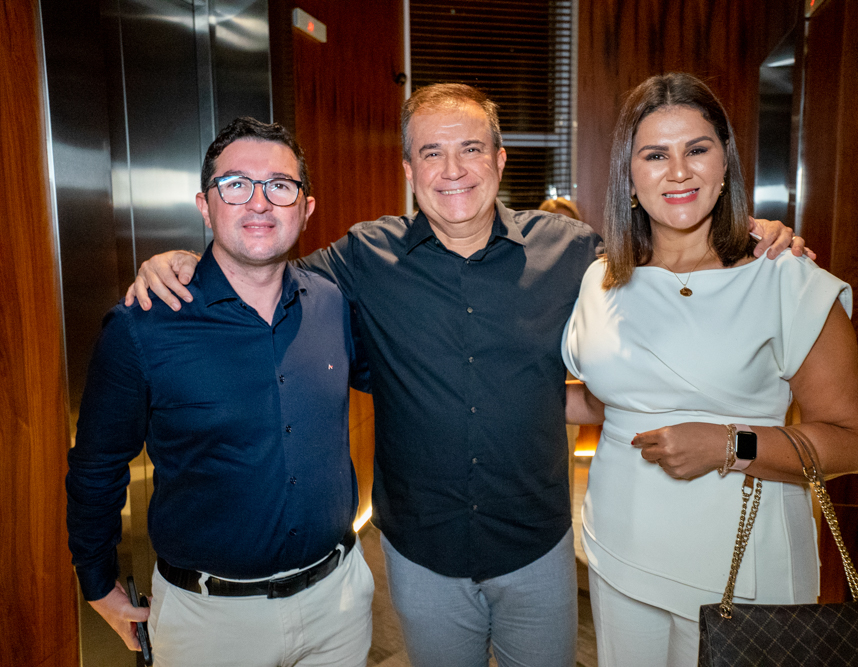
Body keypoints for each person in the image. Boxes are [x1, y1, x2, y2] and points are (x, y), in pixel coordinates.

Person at [125, 84, 808, 667]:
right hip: (420, 551)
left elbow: (665, 260)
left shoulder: (573, 252)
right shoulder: (363, 256)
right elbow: (258, 269)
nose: (453, 169)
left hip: (537, 546)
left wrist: (745, 232)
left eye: (472, 148)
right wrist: (184, 261)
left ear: (499, 159)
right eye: (432, 152)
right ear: (409, 168)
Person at [561, 73, 858, 666]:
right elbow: (609, 400)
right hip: (619, 546)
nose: (678, 172)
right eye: (655, 155)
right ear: (629, 176)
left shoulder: (785, 278)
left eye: (697, 149)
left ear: (725, 162)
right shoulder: (601, 281)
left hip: (745, 560)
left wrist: (729, 444)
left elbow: (852, 442)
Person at [66, 117, 374, 667]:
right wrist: (96, 581)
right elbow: (97, 465)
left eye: (279, 185)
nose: (259, 202)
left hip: (339, 604)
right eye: (235, 184)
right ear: (205, 207)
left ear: (305, 208)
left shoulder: (332, 303)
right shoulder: (143, 327)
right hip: (209, 623)